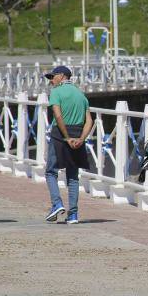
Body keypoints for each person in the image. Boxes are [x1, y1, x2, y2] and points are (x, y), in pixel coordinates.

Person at [43, 65, 93, 224]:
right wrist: (81, 139)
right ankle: (73, 214)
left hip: (60, 134)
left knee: (51, 171)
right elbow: (89, 120)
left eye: (52, 76)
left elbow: (57, 116)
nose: (51, 80)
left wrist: (66, 137)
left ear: (62, 76)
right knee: (73, 175)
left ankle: (57, 203)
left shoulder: (56, 92)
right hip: (78, 133)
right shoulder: (81, 94)